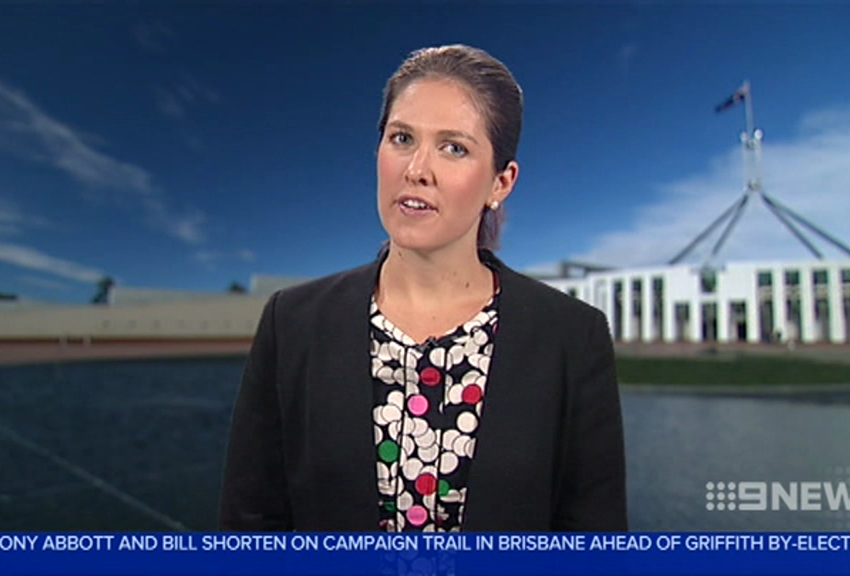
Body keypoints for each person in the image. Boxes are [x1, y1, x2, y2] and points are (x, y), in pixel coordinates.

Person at [219, 44, 627, 532]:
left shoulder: (572, 338)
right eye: (402, 138)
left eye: (454, 148)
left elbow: (593, 544)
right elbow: (250, 529)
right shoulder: (292, 323)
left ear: (501, 183)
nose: (417, 170)